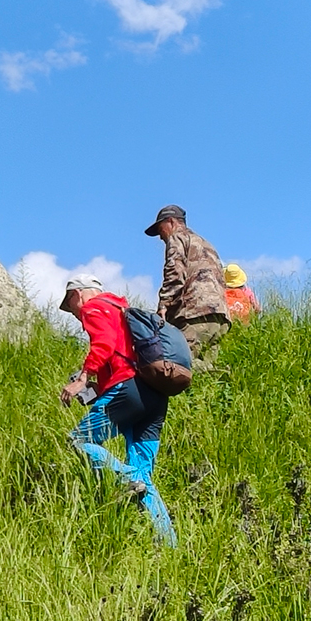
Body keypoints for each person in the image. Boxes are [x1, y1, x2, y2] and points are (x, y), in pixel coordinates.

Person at [59, 274, 177, 546]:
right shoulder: (121, 309)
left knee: (78, 440)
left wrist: (81, 380)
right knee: (144, 475)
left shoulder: (93, 307)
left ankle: (127, 476)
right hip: (154, 395)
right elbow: (119, 350)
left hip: (128, 387)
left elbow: (104, 343)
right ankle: (169, 544)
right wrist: (99, 388)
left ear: (77, 295)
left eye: (71, 306)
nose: (75, 314)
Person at [145, 206, 231, 362]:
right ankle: (230, 378)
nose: (160, 237)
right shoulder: (206, 244)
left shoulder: (177, 238)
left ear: (170, 222)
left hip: (195, 314)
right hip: (220, 315)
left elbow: (174, 272)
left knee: (180, 365)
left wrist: (164, 304)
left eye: (160, 229)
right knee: (209, 370)